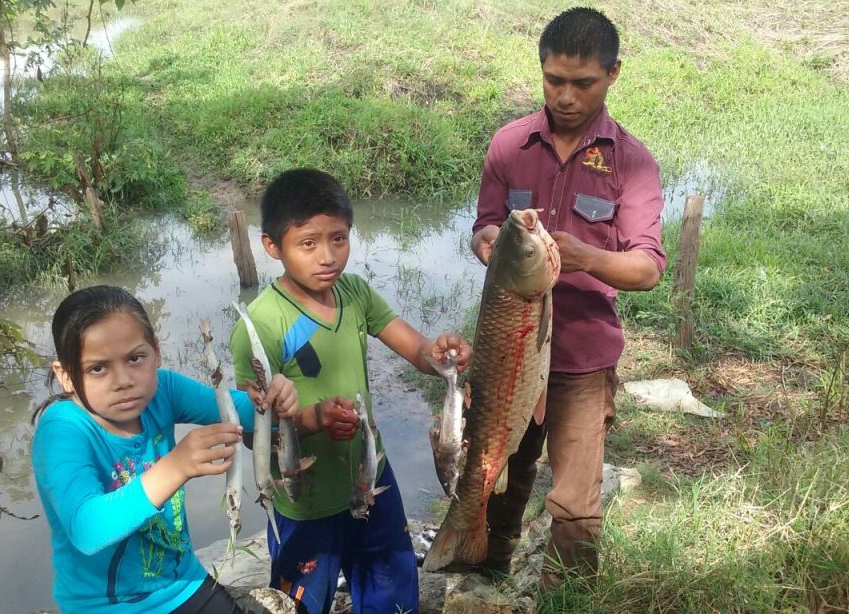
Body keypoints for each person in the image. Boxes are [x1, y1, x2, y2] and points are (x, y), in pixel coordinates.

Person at [469, 8, 667, 587]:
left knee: (577, 504)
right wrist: (487, 242)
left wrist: (584, 257)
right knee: (497, 472)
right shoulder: (509, 146)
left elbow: (648, 266)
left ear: (613, 75)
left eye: (583, 83)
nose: (567, 96)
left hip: (582, 358)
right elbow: (485, 225)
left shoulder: (632, 162)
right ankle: (483, 574)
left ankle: (570, 597)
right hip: (508, 351)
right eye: (555, 80)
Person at [229, 168, 471, 614]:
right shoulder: (259, 325)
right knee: (301, 603)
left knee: (392, 591)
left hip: (371, 476)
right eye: (308, 243)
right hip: (305, 498)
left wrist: (440, 355)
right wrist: (311, 417)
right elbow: (251, 422)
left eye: (338, 239)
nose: (327, 256)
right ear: (271, 246)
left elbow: (414, 346)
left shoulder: (354, 293)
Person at [31, 285, 299, 613]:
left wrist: (279, 400)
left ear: (156, 352)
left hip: (183, 585)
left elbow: (247, 412)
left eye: (135, 358)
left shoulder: (164, 390)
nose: (123, 380)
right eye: (97, 368)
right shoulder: (63, 430)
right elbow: (87, 529)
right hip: (105, 606)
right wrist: (176, 467)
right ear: (66, 375)